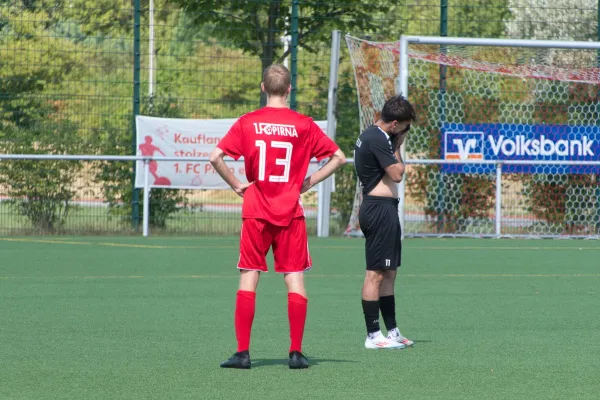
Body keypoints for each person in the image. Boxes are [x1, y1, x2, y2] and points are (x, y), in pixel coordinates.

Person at [209, 64, 346, 369]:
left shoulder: (248, 122)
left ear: (262, 88)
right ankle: (296, 353)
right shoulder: (303, 124)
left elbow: (215, 156)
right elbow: (339, 157)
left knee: (249, 276)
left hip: (256, 209)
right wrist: (308, 182)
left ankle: (243, 353)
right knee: (294, 279)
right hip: (290, 211)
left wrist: (235, 185)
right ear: (289, 90)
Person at [353, 94, 416, 349]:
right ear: (394, 124)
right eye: (405, 127)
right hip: (378, 210)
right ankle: (372, 336)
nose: (405, 131)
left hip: (386, 209)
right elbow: (397, 174)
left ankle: (391, 331)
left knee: (389, 272)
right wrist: (397, 147)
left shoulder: (379, 136)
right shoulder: (378, 138)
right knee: (375, 273)